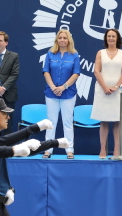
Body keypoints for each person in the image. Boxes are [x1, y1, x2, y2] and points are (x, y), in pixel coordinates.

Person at [0, 98, 69, 216]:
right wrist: (33, 128)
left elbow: (25, 151)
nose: (8, 117)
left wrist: (54, 143)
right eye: (5, 114)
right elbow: (5, 144)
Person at [91, 29, 122, 159]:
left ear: (117, 38)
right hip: (102, 91)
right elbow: (96, 71)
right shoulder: (100, 53)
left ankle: (116, 150)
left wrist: (116, 87)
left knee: (118, 121)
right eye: (109, 36)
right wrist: (105, 87)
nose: (111, 38)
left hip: (118, 92)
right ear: (106, 39)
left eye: (113, 36)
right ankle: (102, 150)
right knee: (104, 120)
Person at [42, 29, 80, 159]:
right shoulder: (50, 54)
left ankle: (69, 149)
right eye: (60, 38)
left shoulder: (74, 55)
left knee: (67, 122)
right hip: (51, 93)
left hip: (68, 93)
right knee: (50, 121)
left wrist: (63, 87)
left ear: (69, 40)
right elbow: (46, 71)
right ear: (57, 40)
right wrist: (53, 87)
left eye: (65, 38)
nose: (62, 40)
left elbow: (76, 74)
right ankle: (48, 149)